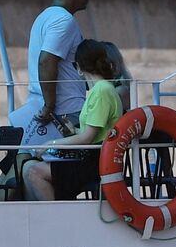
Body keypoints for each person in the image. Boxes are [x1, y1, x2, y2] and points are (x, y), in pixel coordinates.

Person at [22, 39, 124, 201]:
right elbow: (94, 133)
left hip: (94, 162)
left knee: (33, 172)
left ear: (79, 68)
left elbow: (88, 138)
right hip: (95, 157)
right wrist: (73, 131)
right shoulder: (104, 90)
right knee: (31, 168)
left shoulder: (101, 92)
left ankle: (53, 220)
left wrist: (50, 144)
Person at [11, 0, 91, 146]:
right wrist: (49, 106)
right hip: (64, 111)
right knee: (71, 170)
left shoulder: (44, 17)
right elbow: (47, 60)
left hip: (45, 108)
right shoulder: (64, 20)